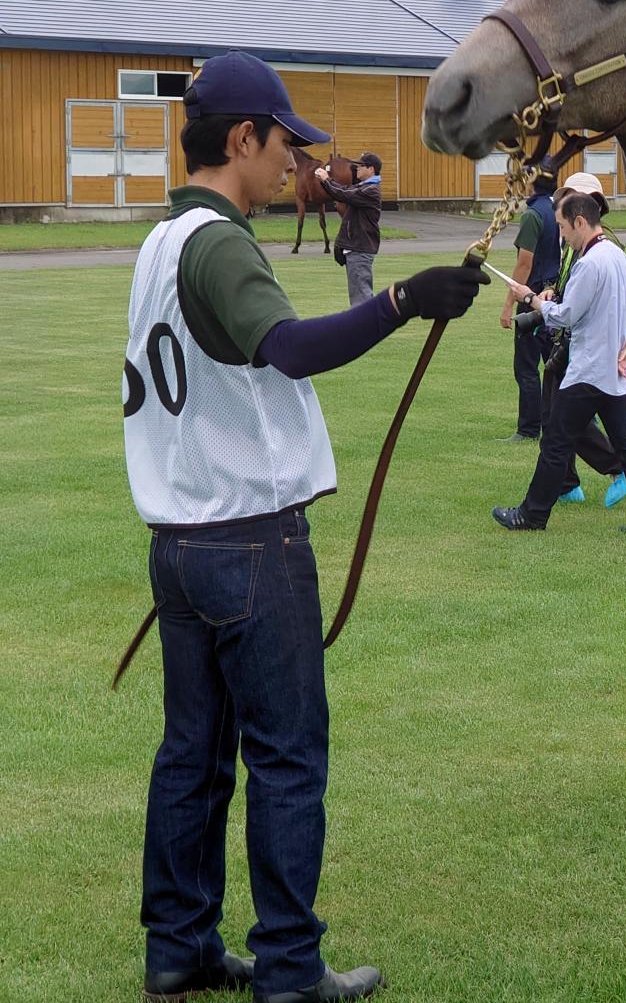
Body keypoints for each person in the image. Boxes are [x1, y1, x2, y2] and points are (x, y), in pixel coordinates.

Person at [123, 50, 487, 1003]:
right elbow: (286, 349)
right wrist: (403, 300)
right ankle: (288, 966)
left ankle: (178, 946)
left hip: (181, 541)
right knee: (285, 757)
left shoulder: (161, 243)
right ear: (243, 139)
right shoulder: (219, 241)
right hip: (248, 540)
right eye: (287, 142)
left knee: (191, 754)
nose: (297, 162)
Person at [492, 179, 626, 533]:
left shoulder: (590, 264)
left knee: (555, 440)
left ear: (580, 222)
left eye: (564, 228)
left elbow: (565, 316)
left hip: (587, 370)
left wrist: (530, 298)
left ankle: (532, 515)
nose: (563, 235)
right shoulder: (618, 256)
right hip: (613, 371)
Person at [498, 185, 560, 443]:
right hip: (555, 295)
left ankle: (528, 429)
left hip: (532, 298)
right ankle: (574, 421)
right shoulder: (559, 208)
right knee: (556, 363)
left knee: (526, 367)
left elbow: (525, 262)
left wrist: (509, 304)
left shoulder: (533, 215)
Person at [317, 152, 383, 304]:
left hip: (360, 249)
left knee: (361, 299)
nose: (356, 168)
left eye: (360, 165)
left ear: (371, 169)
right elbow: (345, 191)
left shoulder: (371, 190)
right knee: (360, 297)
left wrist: (326, 180)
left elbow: (344, 194)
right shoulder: (364, 187)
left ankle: (367, 327)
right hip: (357, 249)